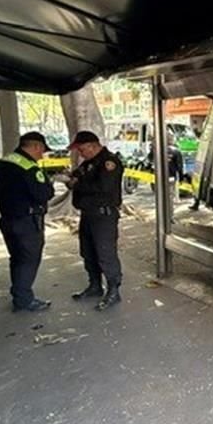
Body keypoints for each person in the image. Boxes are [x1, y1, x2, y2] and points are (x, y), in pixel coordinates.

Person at [0, 132, 55, 312]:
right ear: (35, 146)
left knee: (17, 258)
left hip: (8, 219)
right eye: (42, 150)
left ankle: (18, 293)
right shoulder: (30, 168)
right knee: (29, 259)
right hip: (28, 222)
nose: (41, 155)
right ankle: (24, 299)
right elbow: (44, 194)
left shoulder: (1, 163)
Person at [66, 131, 124, 310]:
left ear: (93, 145)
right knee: (88, 252)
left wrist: (78, 183)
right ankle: (95, 285)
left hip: (103, 215)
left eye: (82, 150)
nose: (81, 154)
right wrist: (72, 179)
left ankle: (113, 290)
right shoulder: (89, 163)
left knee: (105, 253)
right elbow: (77, 175)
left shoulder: (109, 162)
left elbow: (103, 187)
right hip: (88, 214)